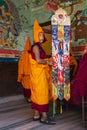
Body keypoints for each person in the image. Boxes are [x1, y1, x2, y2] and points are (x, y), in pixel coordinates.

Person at [29, 20, 55, 125]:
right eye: (39, 35)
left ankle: (36, 115)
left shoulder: (39, 47)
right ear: (35, 36)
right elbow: (39, 60)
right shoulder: (35, 47)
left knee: (37, 94)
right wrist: (48, 62)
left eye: (42, 35)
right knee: (42, 94)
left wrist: (49, 59)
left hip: (37, 75)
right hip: (38, 75)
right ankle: (44, 117)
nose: (41, 37)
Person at [17, 36, 31, 103]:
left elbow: (20, 65)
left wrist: (20, 76)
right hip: (31, 74)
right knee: (30, 87)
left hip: (25, 75)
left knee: (26, 87)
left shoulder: (23, 55)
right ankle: (31, 98)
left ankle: (28, 98)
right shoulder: (32, 55)